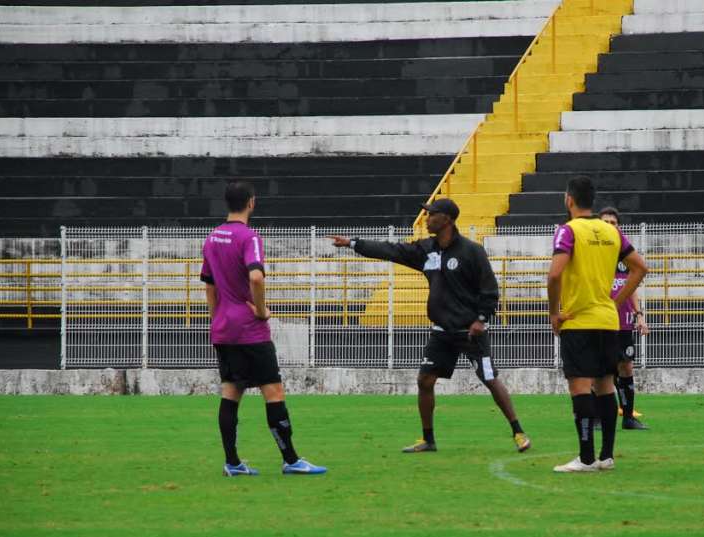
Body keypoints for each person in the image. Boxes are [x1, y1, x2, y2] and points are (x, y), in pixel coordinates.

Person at [330, 197, 531, 454]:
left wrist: (482, 319)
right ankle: (428, 440)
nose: (426, 219)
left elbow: (490, 290)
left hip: (470, 332)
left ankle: (518, 431)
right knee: (425, 381)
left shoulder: (472, 251)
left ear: (446, 219)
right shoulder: (427, 250)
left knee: (490, 378)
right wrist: (353, 244)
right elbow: (392, 250)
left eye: (431, 214)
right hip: (442, 332)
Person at [200, 180, 326, 476]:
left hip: (223, 327)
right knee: (274, 391)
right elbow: (256, 278)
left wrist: (215, 318)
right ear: (251, 203)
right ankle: (291, 460)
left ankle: (232, 463)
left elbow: (209, 285)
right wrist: (258, 309)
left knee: (231, 392)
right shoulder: (249, 237)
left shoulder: (212, 237)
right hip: (249, 329)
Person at [547, 178, 648, 473]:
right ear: (592, 200)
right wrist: (617, 300)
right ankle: (606, 456)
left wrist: (555, 313)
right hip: (608, 321)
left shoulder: (568, 231)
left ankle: (586, 458)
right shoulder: (612, 231)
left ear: (569, 200)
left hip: (578, 321)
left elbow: (554, 276)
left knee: (580, 387)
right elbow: (641, 267)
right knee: (605, 385)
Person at [599, 207, 649, 430]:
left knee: (626, 367)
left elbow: (632, 286)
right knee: (599, 369)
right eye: (606, 222)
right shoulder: (594, 253)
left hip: (623, 322)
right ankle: (598, 417)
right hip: (599, 320)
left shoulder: (625, 254)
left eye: (613, 223)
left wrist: (639, 315)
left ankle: (628, 417)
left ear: (618, 227)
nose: (610, 226)